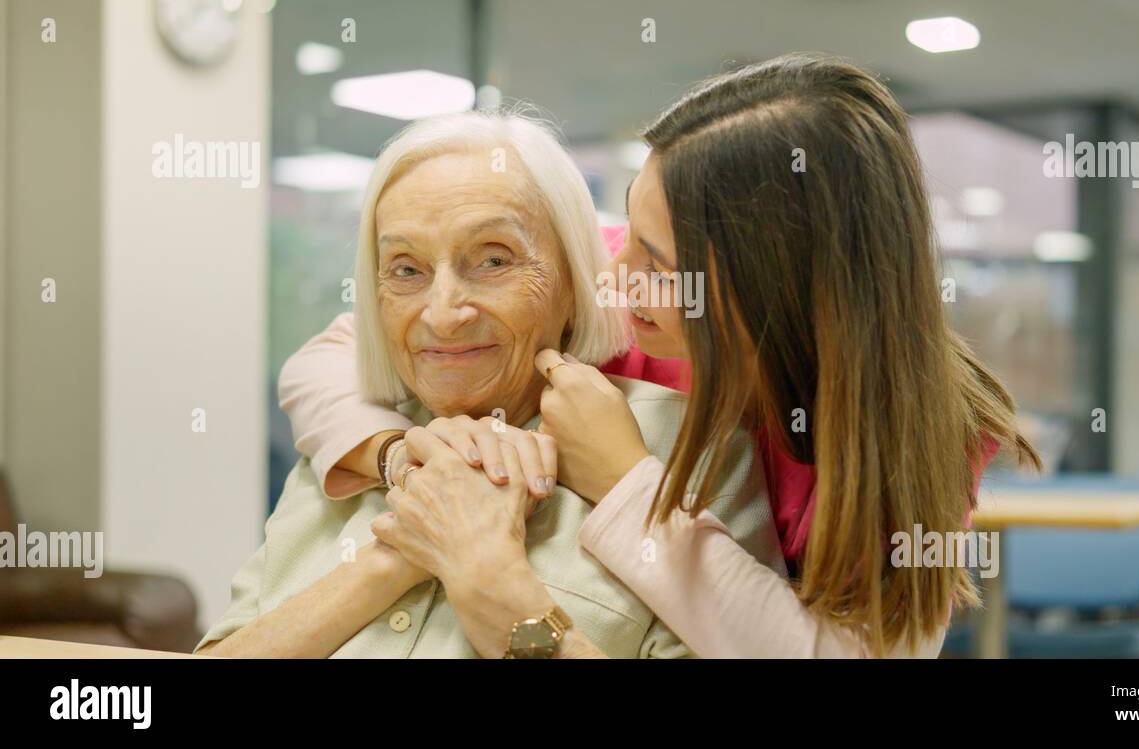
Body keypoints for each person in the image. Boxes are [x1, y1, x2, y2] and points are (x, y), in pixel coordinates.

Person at [280, 53, 1041, 658]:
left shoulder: (926, 430)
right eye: (627, 232)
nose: (612, 276)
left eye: (654, 258)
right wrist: (395, 454)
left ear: (778, 289)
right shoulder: (627, 291)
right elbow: (334, 353)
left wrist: (624, 480)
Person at [196, 110, 783, 658]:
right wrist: (394, 556)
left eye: (494, 260)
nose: (443, 313)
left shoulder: (692, 453)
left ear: (575, 285)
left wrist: (485, 573)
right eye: (406, 269)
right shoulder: (353, 442)